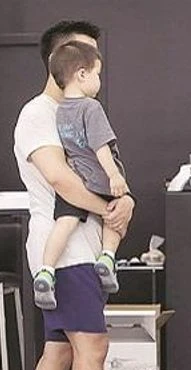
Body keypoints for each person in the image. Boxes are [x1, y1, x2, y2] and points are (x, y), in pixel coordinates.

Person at [13, 20, 138, 370]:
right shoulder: (38, 114)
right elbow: (62, 179)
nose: (93, 67)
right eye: (85, 56)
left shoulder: (79, 111)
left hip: (82, 246)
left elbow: (100, 170)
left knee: (60, 350)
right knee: (92, 347)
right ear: (63, 60)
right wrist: (110, 207)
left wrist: (122, 201)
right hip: (63, 252)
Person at [32, 40, 131, 310]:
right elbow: (100, 146)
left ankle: (45, 270)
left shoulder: (61, 110)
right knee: (116, 215)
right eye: (97, 74)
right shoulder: (91, 107)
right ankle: (107, 259)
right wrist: (114, 176)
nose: (99, 81)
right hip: (98, 178)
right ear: (82, 74)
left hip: (77, 177)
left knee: (64, 223)